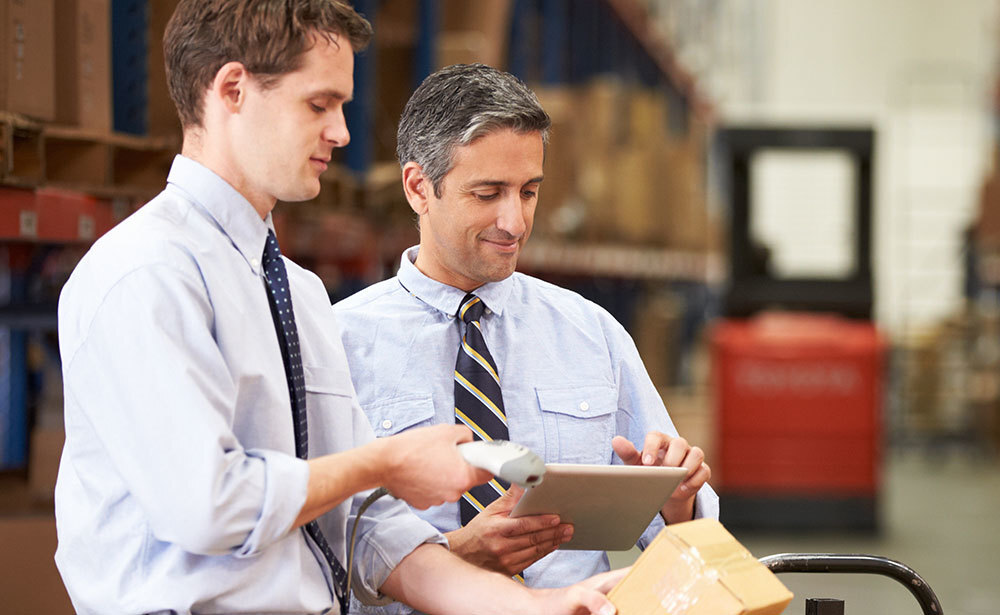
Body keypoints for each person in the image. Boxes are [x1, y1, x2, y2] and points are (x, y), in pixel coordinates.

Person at [53, 2, 621, 613]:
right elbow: (207, 506)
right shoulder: (146, 275)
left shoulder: (295, 293)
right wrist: (385, 461)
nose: (342, 132)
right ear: (234, 90)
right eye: (319, 104)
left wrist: (548, 606)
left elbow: (367, 527)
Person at [333, 63, 719, 599]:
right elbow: (313, 552)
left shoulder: (592, 333)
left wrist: (678, 506)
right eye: (488, 194)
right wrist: (453, 557)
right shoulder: (338, 345)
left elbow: (690, 551)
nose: (514, 222)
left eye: (529, 191)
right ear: (420, 187)